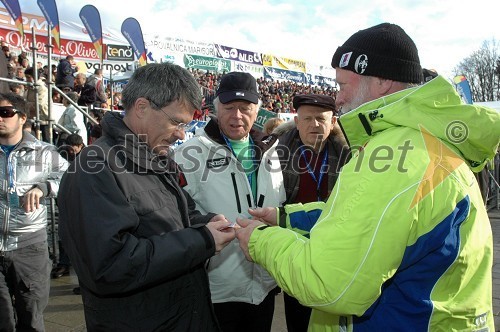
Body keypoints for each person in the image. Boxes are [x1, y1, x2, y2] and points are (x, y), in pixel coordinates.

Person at [235, 23, 500, 331]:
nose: (337, 98)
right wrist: (283, 218)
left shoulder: (396, 153)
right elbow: (362, 218)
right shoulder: (423, 140)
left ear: (383, 81)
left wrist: (259, 240)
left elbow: (327, 282)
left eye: (342, 85)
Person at [57, 62, 235, 331]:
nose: (181, 134)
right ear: (141, 107)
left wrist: (210, 223)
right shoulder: (94, 167)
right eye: (176, 122)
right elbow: (110, 267)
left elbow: (181, 216)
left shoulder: (158, 157)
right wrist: (202, 239)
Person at [173, 71, 285, 332]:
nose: (237, 116)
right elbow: (178, 213)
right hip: (218, 288)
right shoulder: (189, 153)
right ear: (215, 109)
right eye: (229, 107)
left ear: (257, 111)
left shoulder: (271, 152)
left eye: (245, 108)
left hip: (263, 284)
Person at [274, 94, 350, 331]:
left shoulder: (349, 155)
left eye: (321, 118)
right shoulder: (276, 153)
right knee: (297, 316)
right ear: (296, 122)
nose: (314, 125)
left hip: (333, 248)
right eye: (307, 119)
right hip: (293, 247)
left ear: (333, 121)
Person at [0, 92, 68, 331]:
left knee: (31, 317)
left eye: (6, 113)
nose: (0, 118)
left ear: (22, 118)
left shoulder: (44, 152)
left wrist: (44, 187)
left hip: (29, 247)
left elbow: (69, 178)